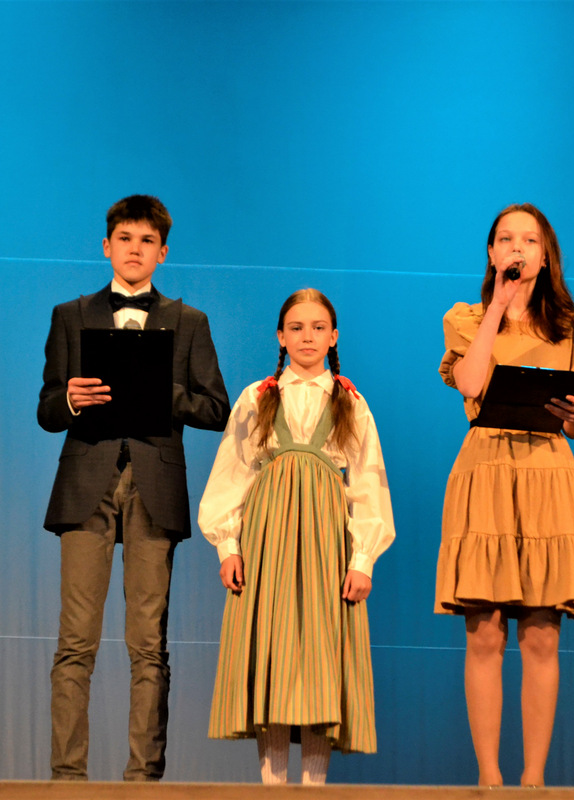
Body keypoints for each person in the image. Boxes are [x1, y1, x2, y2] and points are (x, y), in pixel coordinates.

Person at [37, 194, 230, 781]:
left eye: (147, 241)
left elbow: (216, 409)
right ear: (107, 246)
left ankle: (143, 780)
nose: (135, 249)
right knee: (76, 642)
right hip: (87, 483)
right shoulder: (71, 315)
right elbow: (47, 408)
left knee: (148, 644)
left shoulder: (188, 321)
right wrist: (72, 398)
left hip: (154, 485)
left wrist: (161, 390)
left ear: (162, 252)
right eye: (125, 238)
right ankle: (67, 780)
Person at [434, 203, 574, 788]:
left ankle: (533, 780)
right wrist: (498, 307)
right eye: (506, 239)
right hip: (485, 469)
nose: (517, 248)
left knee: (540, 633)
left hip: (546, 472)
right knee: (483, 631)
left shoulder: (570, 325)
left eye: (529, 240)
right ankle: (489, 777)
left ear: (545, 254)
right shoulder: (465, 317)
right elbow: (470, 382)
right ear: (491, 253)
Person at [198, 288, 395, 785]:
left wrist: (362, 559)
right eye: (297, 328)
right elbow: (231, 474)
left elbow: (368, 482)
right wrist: (228, 546)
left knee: (319, 657)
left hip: (326, 540)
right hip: (269, 539)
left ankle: (312, 790)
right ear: (280, 338)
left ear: (334, 337)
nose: (308, 336)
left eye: (318, 327)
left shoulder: (350, 402)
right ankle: (273, 789)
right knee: (273, 652)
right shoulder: (258, 397)